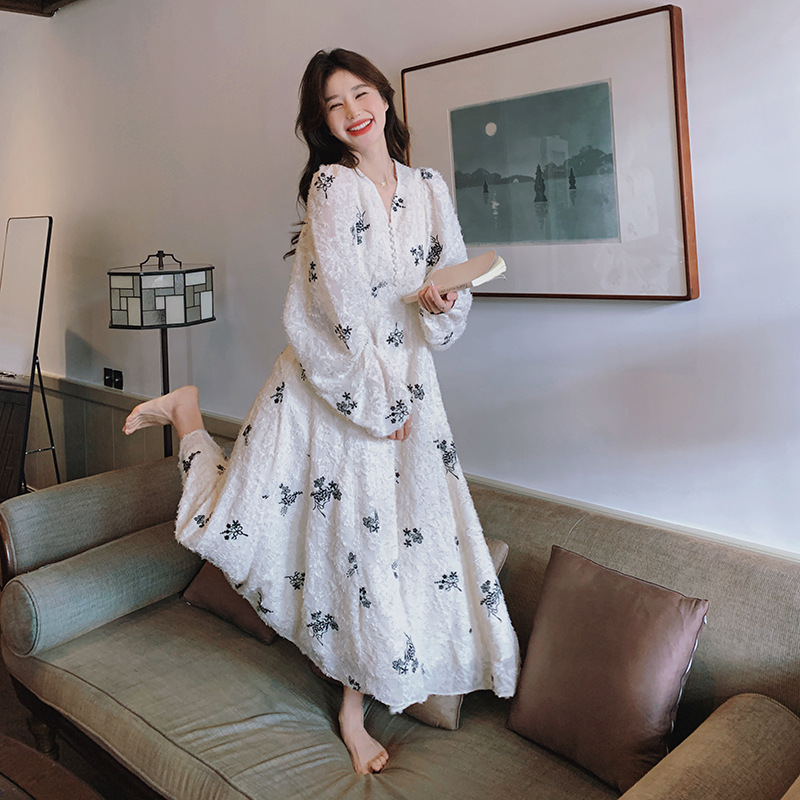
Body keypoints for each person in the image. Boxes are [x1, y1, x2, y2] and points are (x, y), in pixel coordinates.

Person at [123, 48, 519, 775]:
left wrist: (442, 303)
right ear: (323, 123)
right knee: (241, 528)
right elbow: (336, 314)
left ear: (385, 98)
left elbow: (449, 304)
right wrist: (379, 407)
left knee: (385, 545)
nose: (352, 112)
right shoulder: (332, 187)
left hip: (409, 395)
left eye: (361, 94)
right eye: (334, 105)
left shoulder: (430, 187)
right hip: (334, 393)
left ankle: (352, 705)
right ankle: (187, 417)